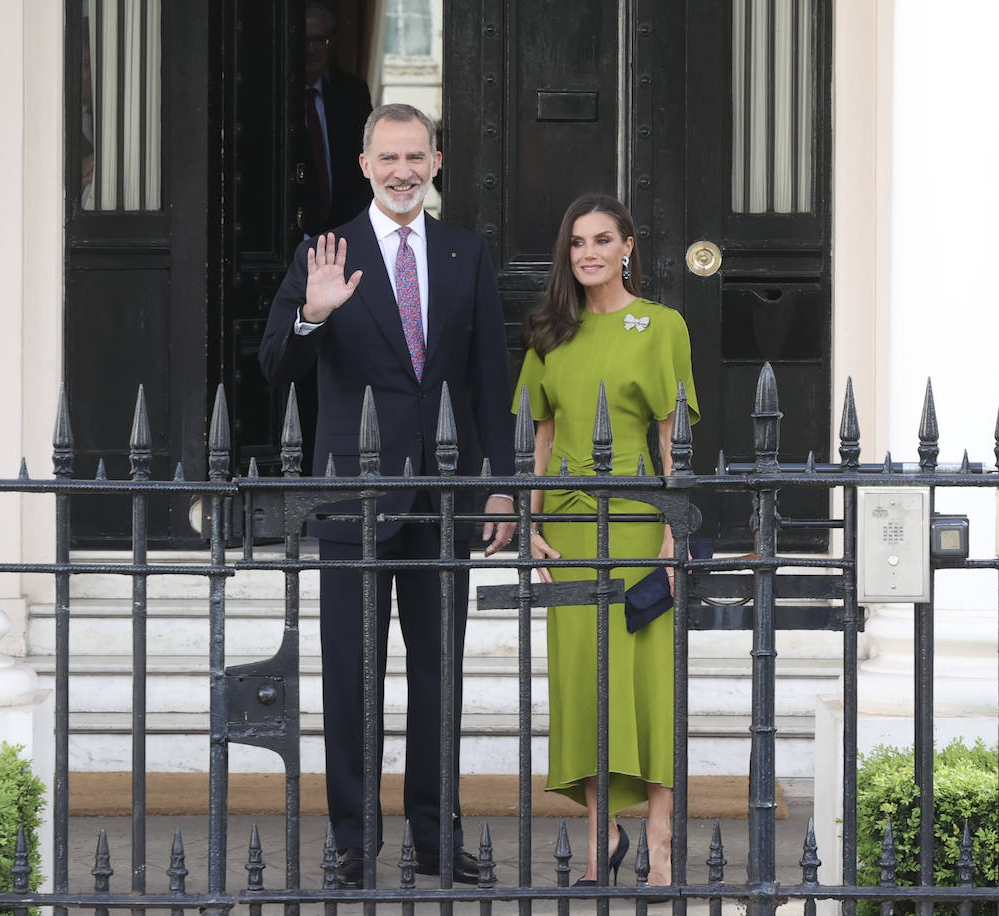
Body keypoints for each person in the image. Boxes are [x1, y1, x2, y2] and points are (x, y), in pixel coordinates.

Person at [258, 103, 516, 888]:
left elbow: (487, 381)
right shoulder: (324, 250)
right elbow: (273, 365)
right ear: (366, 166)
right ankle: (351, 845)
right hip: (352, 502)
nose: (403, 171)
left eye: (417, 157)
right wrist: (311, 313)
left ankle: (437, 841)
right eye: (388, 158)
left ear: (436, 162)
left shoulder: (466, 253)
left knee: (439, 678)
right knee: (351, 678)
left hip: (443, 503)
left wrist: (501, 490)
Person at [511, 193, 698, 888]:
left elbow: (670, 436)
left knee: (650, 683)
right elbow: (542, 436)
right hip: (565, 526)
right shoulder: (549, 332)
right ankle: (601, 838)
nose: (587, 253)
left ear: (627, 248)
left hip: (638, 519)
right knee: (583, 682)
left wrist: (674, 539)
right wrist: (530, 525)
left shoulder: (662, 325)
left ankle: (662, 838)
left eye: (601, 240)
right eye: (576, 243)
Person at [300, 0, 374, 236]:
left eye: (319, 40)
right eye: (305, 40)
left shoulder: (353, 93)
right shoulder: (274, 97)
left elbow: (367, 167)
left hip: (343, 235)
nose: (312, 49)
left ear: (330, 42)